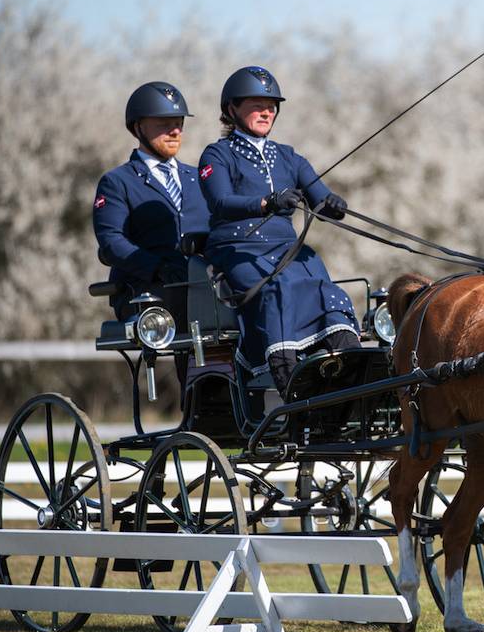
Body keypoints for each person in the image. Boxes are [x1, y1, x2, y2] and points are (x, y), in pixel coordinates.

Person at [198, 66, 360, 397]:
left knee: (324, 288)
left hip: (288, 249)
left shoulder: (289, 157)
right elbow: (219, 201)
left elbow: (319, 198)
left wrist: (332, 205)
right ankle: (290, 380)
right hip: (238, 249)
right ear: (232, 109)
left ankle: (349, 370)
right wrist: (266, 202)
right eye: (257, 105)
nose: (266, 112)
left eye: (271, 106)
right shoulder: (217, 154)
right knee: (279, 288)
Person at [92, 81, 210, 384]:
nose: (174, 131)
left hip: (200, 286)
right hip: (147, 292)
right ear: (138, 127)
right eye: (164, 124)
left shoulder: (198, 178)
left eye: (178, 123)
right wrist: (156, 267)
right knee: (190, 306)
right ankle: (197, 394)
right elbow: (111, 242)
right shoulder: (117, 182)